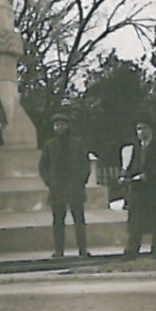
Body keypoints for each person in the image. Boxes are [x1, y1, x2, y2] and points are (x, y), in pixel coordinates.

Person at [40, 111, 91, 259]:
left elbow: (85, 164)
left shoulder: (78, 143)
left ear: (68, 126)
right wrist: (49, 181)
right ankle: (59, 251)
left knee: (79, 220)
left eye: (62, 124)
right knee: (58, 221)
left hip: (74, 186)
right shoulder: (49, 145)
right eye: (56, 125)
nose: (59, 128)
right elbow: (43, 166)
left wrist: (81, 180)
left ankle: (82, 250)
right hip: (57, 188)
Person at [121, 120, 156, 260]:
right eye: (138, 129)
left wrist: (150, 175)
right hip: (138, 190)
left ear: (151, 130)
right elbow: (130, 166)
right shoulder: (135, 147)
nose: (141, 132)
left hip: (155, 189)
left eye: (144, 128)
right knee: (136, 223)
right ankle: (132, 251)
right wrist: (125, 177)